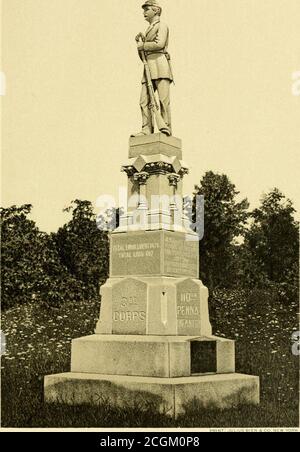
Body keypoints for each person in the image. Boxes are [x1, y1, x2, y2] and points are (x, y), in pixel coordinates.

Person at [132, 0, 174, 137]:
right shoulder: (149, 29)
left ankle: (165, 128)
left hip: (160, 65)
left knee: (163, 100)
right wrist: (141, 45)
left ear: (156, 10)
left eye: (147, 9)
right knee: (144, 100)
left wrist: (143, 45)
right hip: (148, 67)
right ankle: (146, 129)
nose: (144, 12)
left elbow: (160, 44)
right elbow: (144, 54)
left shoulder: (162, 25)